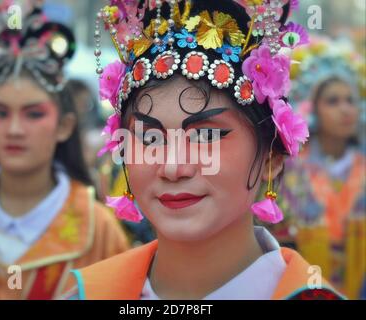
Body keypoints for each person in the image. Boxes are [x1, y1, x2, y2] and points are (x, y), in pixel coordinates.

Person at [65, 0, 345, 300]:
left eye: (205, 136)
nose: (173, 168)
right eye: (149, 138)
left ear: (272, 156)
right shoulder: (90, 294)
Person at [0, 1, 129, 300]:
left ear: (65, 126)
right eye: (0, 113)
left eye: (33, 114)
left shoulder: (98, 231)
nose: (14, 129)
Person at [273, 75, 365, 299]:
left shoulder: (362, 166)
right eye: (333, 101)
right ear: (312, 109)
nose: (345, 110)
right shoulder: (289, 170)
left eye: (350, 101)